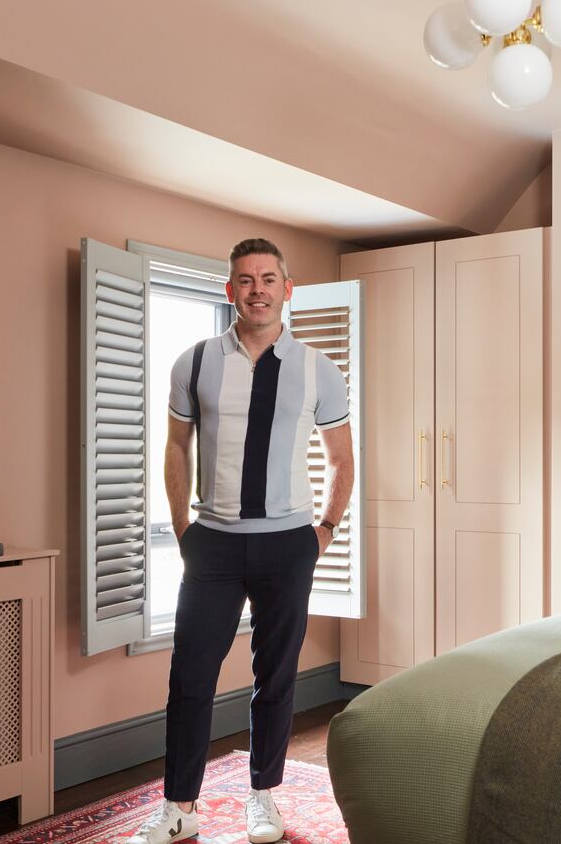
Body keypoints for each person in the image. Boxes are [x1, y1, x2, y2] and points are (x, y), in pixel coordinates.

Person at [128, 238, 355, 844]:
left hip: (288, 545)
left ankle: (264, 798)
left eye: (268, 278)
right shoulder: (195, 362)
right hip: (215, 546)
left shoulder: (318, 369)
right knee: (190, 676)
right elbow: (176, 446)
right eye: (245, 280)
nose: (257, 289)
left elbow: (342, 459)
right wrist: (183, 528)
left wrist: (324, 531)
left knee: (276, 676)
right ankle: (179, 806)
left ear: (287, 289)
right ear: (230, 290)